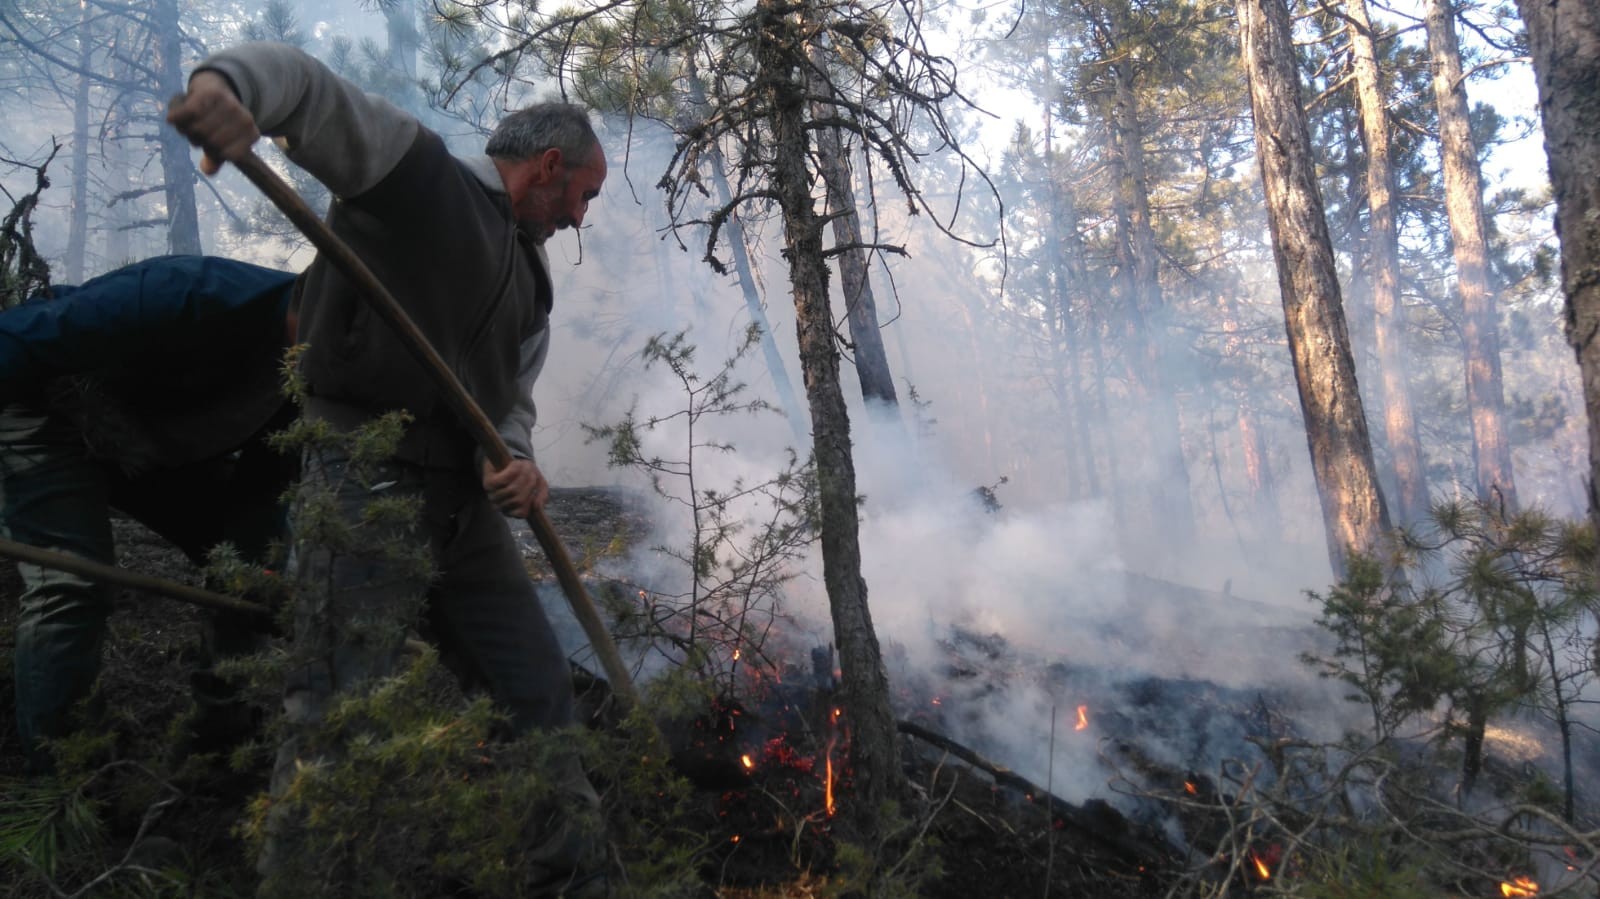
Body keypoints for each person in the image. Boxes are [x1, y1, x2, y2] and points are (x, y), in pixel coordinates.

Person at [166, 42, 608, 892]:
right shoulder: (419, 178)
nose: (580, 219)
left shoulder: (533, 285)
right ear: (549, 166)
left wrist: (517, 464)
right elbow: (308, 89)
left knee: (536, 687)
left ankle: (574, 876)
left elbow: (510, 403)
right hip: (363, 479)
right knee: (338, 714)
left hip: (464, 515)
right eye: (583, 196)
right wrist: (225, 89)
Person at [0, 255, 301, 775]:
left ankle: (218, 736)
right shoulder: (187, 294)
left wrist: (256, 576)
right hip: (49, 404)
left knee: (249, 576)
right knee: (72, 582)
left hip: (150, 444)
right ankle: (65, 778)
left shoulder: (327, 376)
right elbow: (13, 341)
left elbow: (262, 490)